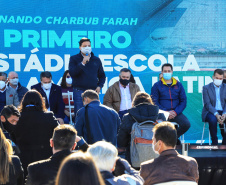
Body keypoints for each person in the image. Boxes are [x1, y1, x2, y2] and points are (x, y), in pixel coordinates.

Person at [2, 90, 59, 177]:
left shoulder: (16, 119)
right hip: (45, 160)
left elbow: (13, 137)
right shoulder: (49, 116)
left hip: (24, 161)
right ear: (40, 101)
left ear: (23, 101)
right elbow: (59, 133)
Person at [117, 92, 166, 164]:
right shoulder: (160, 116)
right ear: (150, 102)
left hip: (135, 159)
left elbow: (121, 141)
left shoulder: (128, 117)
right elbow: (166, 136)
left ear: (134, 102)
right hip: (157, 159)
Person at [151, 63, 190, 140]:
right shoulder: (156, 85)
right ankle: (170, 141)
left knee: (186, 124)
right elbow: (154, 102)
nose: (167, 72)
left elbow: (183, 101)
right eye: (165, 71)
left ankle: (173, 138)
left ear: (172, 72)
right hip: (162, 113)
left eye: (169, 71)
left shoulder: (179, 85)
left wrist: (175, 112)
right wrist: (166, 112)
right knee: (160, 128)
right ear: (162, 72)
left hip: (176, 113)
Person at [69, 37, 106, 117]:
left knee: (94, 114)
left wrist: (100, 86)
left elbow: (102, 75)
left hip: (93, 91)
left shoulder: (96, 60)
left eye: (89, 46)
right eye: (85, 46)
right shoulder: (74, 59)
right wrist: (82, 63)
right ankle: (79, 129)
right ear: (80, 47)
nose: (87, 48)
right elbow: (72, 73)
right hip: (79, 91)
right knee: (80, 114)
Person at [202, 69, 226, 145]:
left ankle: (224, 142)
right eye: (217, 78)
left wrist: (225, 113)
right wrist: (216, 114)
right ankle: (214, 142)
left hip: (223, 111)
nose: (218, 80)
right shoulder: (206, 88)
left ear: (223, 78)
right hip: (210, 112)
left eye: (220, 78)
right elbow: (207, 104)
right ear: (213, 77)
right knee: (213, 120)